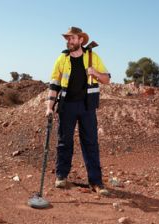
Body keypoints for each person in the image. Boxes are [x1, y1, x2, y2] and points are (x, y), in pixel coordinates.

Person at [45, 27, 111, 196]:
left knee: (90, 143)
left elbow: (107, 79)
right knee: (64, 141)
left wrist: (95, 73)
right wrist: (49, 107)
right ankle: (61, 176)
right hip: (67, 106)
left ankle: (96, 182)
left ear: (81, 40)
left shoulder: (92, 57)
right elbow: (54, 85)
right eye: (67, 39)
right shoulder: (62, 59)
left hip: (87, 106)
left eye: (72, 38)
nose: (69, 41)